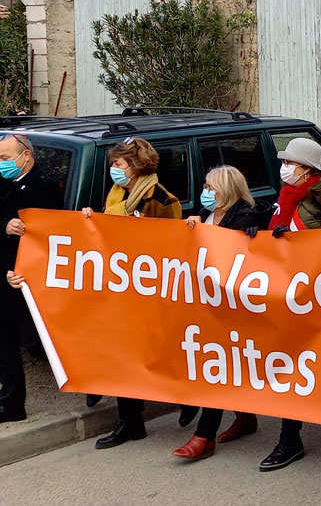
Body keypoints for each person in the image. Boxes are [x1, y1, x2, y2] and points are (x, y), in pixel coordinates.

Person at [77, 137, 183, 449]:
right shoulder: (116, 195)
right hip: (119, 286)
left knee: (155, 354)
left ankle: (188, 399)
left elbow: (172, 250)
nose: (113, 169)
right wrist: (90, 221)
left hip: (148, 291)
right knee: (122, 355)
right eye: (113, 164)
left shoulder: (162, 200)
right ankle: (130, 421)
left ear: (136, 166)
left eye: (119, 164)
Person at [260, 136, 321, 471]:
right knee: (291, 363)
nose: (284, 168)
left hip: (313, 292)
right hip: (286, 289)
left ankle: (294, 435)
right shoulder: (288, 193)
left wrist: (299, 241)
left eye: (290, 164)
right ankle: (290, 438)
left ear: (307, 170)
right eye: (284, 163)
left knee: (306, 361)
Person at [171, 166, 267, 461]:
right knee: (224, 367)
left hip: (236, 307)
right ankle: (246, 417)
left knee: (219, 370)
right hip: (209, 304)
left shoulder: (246, 216)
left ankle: (204, 437)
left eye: (212, 188)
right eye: (206, 186)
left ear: (227, 190)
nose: (206, 192)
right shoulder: (206, 214)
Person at [0, 134, 60, 426]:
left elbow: (51, 236)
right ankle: (11, 403)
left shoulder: (46, 189)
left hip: (31, 278)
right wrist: (2, 227)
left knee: (49, 339)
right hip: (3, 277)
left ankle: (90, 389)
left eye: (6, 159)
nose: (0, 165)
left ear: (26, 156)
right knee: (1, 343)